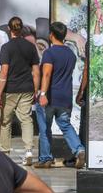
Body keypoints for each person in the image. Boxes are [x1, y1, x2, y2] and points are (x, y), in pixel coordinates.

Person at [36, 22, 84, 169]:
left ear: (51, 35)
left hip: (50, 96)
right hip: (65, 97)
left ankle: (45, 159)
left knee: (45, 128)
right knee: (65, 125)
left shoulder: (49, 53)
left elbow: (47, 74)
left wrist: (43, 93)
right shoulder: (70, 54)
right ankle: (79, 149)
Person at [0, 17, 40, 165]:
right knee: (26, 119)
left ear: (9, 29)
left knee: (6, 121)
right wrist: (36, 89)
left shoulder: (6, 48)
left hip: (10, 89)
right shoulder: (31, 47)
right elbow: (36, 70)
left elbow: (4, 72)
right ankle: (28, 151)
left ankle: (5, 152)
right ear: (21, 29)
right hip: (27, 88)